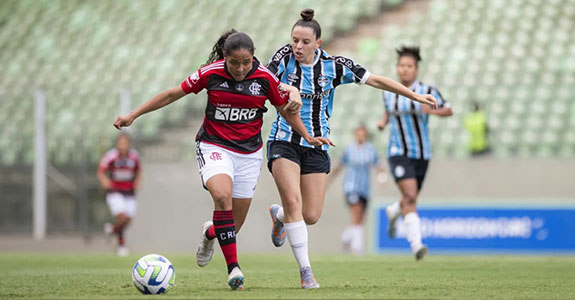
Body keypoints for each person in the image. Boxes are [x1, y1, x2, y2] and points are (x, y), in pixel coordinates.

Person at [113, 29, 330, 290]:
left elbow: (285, 109)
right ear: (224, 58)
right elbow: (172, 94)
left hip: (248, 155)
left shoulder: (264, 78)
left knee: (232, 227)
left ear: (253, 59)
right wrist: (133, 115)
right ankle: (233, 270)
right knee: (222, 197)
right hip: (214, 146)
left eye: (246, 62)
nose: (240, 69)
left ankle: (210, 233)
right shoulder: (210, 73)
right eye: (234, 62)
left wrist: (308, 135)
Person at [265, 9, 438, 289]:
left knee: (310, 215)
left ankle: (279, 216)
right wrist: (289, 88)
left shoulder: (334, 66)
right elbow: (264, 79)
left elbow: (376, 80)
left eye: (305, 42)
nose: (298, 46)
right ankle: (306, 272)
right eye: (295, 40)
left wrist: (414, 94)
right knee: (294, 201)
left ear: (318, 43)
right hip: (284, 141)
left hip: (317, 145)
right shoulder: (283, 57)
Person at [377, 46, 453, 260]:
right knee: (411, 197)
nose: (405, 70)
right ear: (397, 68)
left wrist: (434, 110)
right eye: (401, 66)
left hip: (422, 154)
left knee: (409, 198)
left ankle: (393, 211)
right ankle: (416, 245)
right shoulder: (388, 91)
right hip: (398, 151)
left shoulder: (428, 90)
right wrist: (383, 122)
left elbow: (449, 109)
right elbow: (388, 111)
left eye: (409, 66)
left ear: (416, 69)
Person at [330, 124, 385, 255]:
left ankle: (346, 238)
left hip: (364, 188)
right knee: (356, 212)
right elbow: (340, 165)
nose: (361, 136)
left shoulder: (370, 149)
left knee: (360, 218)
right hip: (351, 187)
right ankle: (358, 247)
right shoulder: (349, 149)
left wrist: (381, 176)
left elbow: (378, 164)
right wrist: (329, 179)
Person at [98, 132, 141, 257]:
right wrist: (104, 181)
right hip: (115, 192)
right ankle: (122, 245)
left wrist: (138, 181)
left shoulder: (134, 157)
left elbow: (138, 171)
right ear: (117, 144)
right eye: (121, 144)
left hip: (130, 193)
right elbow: (101, 171)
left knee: (128, 220)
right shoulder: (110, 156)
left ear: (129, 144)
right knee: (121, 217)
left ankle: (112, 229)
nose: (123, 146)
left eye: (125, 144)